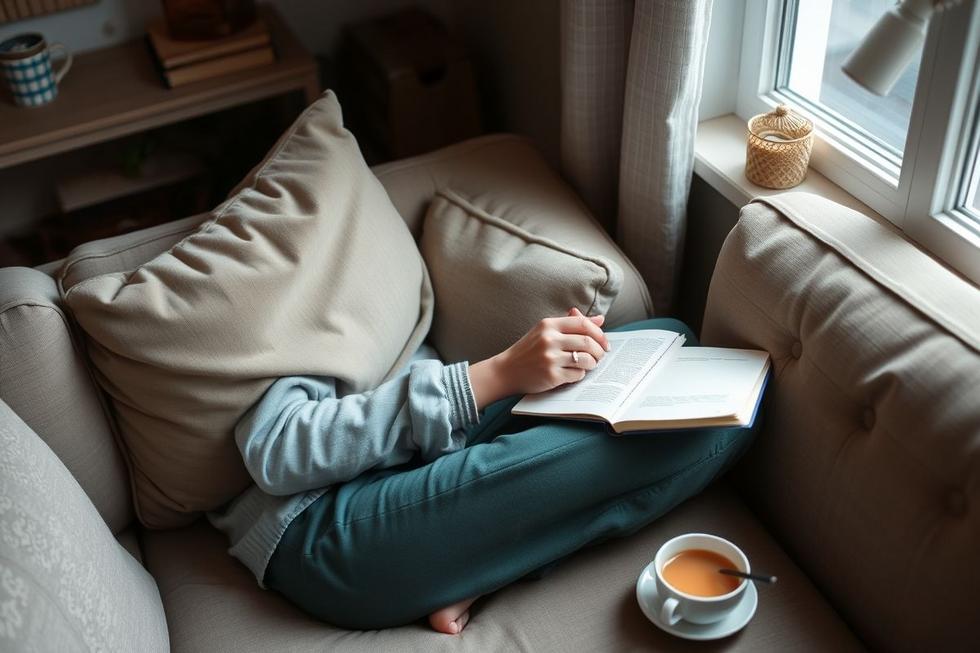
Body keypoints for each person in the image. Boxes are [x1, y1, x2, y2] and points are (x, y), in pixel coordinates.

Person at [209, 308, 758, 634]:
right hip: (318, 522)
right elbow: (278, 456)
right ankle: (486, 563)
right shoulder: (283, 309)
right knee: (723, 422)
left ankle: (473, 559)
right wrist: (498, 374)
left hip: (425, 447)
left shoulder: (380, 275)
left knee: (672, 334)